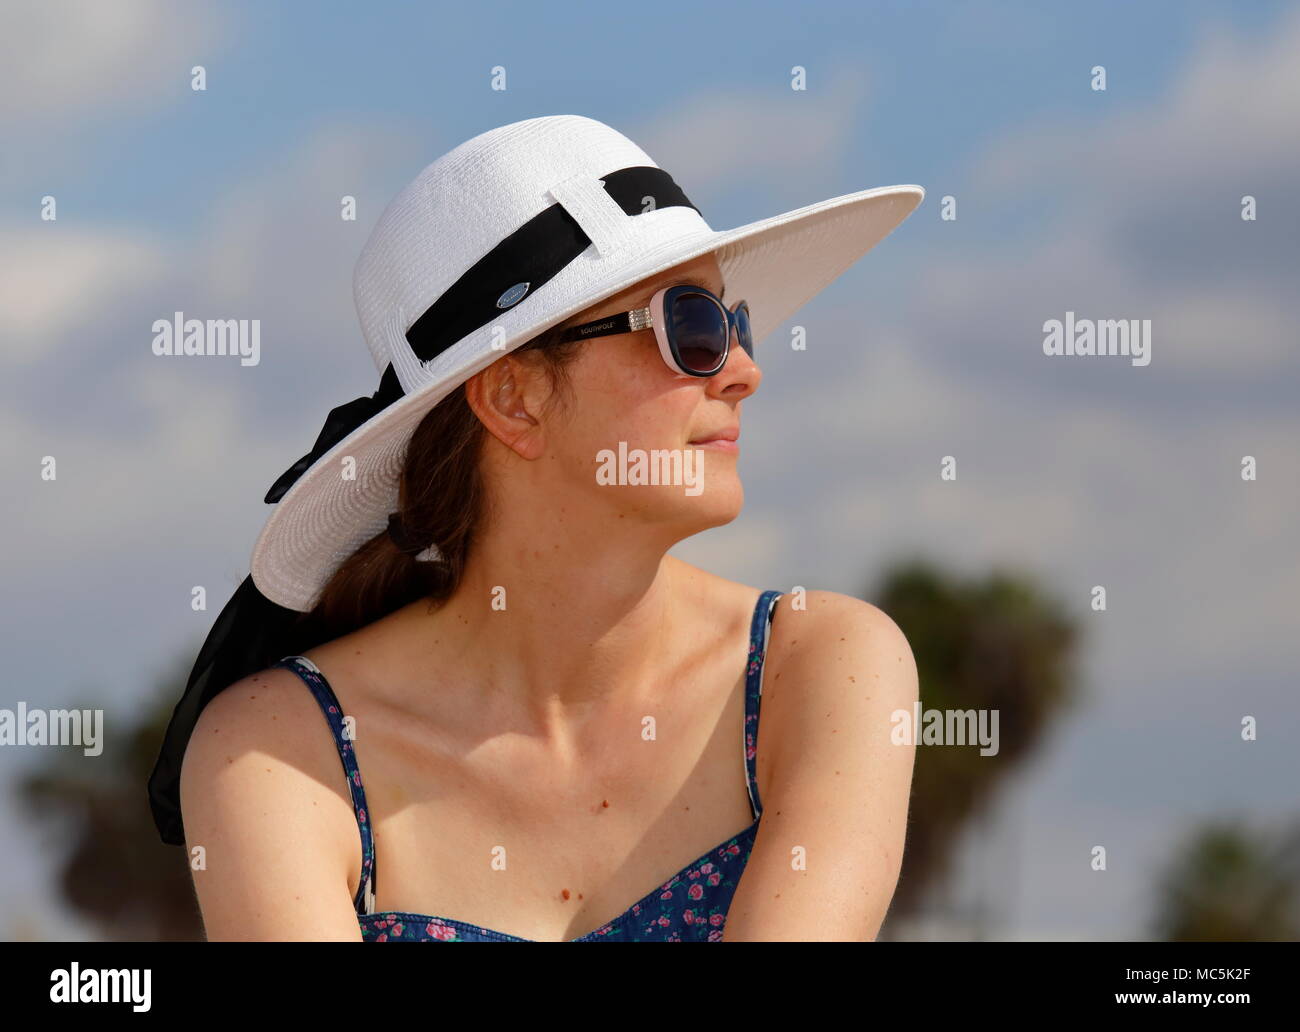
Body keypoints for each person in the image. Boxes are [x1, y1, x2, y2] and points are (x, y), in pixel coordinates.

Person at [149, 114, 922, 942]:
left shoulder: (828, 666)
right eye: (692, 327)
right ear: (514, 398)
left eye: (735, 325)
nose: (744, 370)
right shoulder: (273, 751)